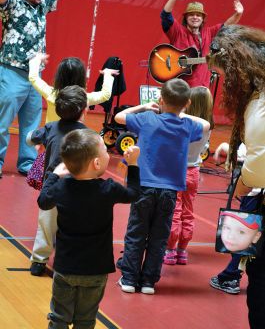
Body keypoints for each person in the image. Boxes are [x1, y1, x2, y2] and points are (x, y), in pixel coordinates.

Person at [115, 78, 210, 294]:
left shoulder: (148, 118)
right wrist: (182, 112)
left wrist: (144, 106)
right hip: (169, 192)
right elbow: (206, 124)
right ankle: (149, 282)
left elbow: (120, 117)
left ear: (160, 100)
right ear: (187, 103)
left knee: (136, 233)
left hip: (143, 188)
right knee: (159, 237)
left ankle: (129, 279)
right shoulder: (187, 126)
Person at [37, 129, 140, 329]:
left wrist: (54, 175)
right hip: (96, 270)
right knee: (85, 320)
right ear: (96, 163)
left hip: (66, 267)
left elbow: (43, 201)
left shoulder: (61, 188)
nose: (108, 153)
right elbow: (134, 193)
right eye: (104, 150)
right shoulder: (108, 189)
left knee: (59, 318)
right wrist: (133, 164)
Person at [28, 53, 119, 276]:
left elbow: (33, 77)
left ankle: (39, 260)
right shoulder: (84, 98)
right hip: (77, 162)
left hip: (51, 159)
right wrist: (107, 75)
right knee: (72, 208)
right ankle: (64, 252)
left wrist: (37, 61)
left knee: (47, 213)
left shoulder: (52, 94)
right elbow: (107, 94)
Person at [0, 0, 77, 178]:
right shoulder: (11, 4)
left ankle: (27, 165)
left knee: (32, 126)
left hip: (35, 77)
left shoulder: (41, 5)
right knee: (2, 123)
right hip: (11, 72)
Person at [208, 24, 265, 328]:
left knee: (260, 294)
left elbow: (259, 163)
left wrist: (244, 183)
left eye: (222, 75)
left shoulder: (259, 104)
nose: (224, 82)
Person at [163, 86, 213, 265]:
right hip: (194, 171)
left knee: (174, 211)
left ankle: (170, 250)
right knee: (188, 211)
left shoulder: (185, 124)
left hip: (177, 170)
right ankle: (182, 250)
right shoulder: (207, 127)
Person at [160, 0, 244, 88]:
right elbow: (165, 16)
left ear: (203, 18)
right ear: (186, 18)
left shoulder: (209, 32)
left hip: (202, 90)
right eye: (191, 14)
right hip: (179, 90)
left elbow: (227, 27)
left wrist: (238, 13)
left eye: (198, 15)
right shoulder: (178, 31)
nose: (195, 17)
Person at [210, 142, 262, 295]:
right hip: (258, 194)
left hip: (256, 195)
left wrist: (223, 148)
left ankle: (230, 277)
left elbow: (243, 157)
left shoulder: (255, 138)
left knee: (244, 238)